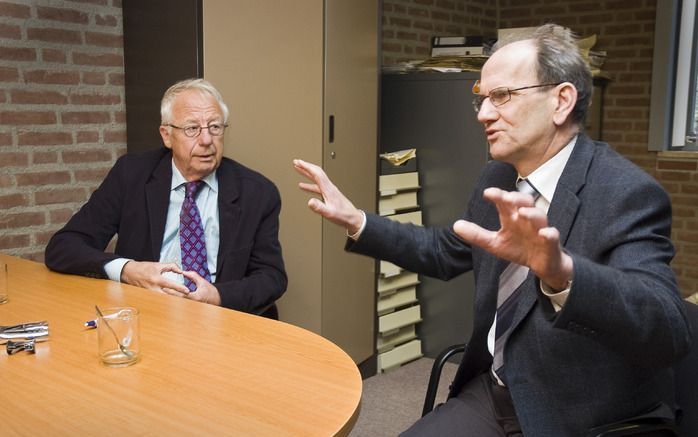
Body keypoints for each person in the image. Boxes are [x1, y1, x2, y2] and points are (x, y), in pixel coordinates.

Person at [294, 24, 692, 436]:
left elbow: (668, 328)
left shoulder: (627, 192)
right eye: (482, 99)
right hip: (498, 391)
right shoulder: (497, 176)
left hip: (583, 413)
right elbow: (445, 251)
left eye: (501, 96)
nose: (484, 114)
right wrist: (357, 220)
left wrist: (562, 275)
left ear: (561, 101)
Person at [46, 78, 286, 318]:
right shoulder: (132, 175)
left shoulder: (257, 193)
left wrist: (217, 296)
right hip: (148, 315)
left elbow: (271, 277)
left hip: (222, 321)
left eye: (215, 127)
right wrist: (128, 270)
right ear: (167, 135)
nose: (206, 140)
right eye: (192, 129)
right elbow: (64, 247)